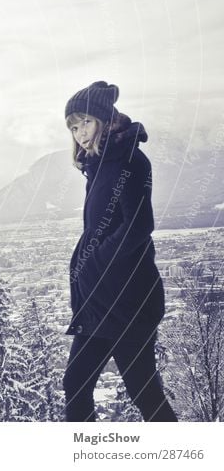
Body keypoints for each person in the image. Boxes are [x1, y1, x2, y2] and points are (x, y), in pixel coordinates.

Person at [62, 80, 177, 422]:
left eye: (85, 122)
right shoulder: (99, 164)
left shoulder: (129, 161)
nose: (80, 132)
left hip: (128, 302)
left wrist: (96, 261)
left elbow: (139, 225)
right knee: (76, 384)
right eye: (73, 126)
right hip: (102, 302)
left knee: (144, 392)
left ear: (102, 119)